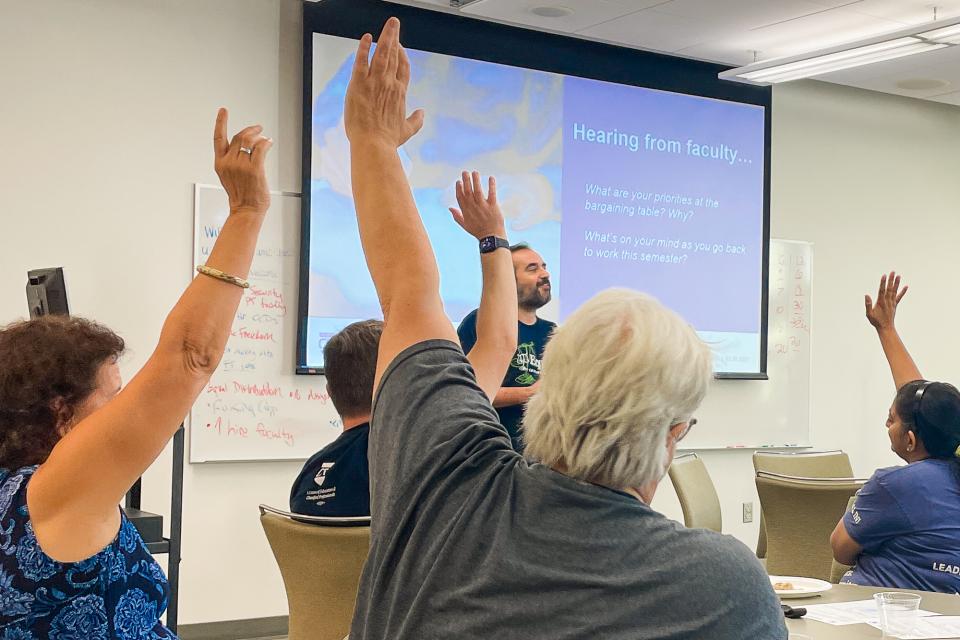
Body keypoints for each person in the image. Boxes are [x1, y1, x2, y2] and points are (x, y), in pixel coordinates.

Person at [343, 18, 786, 639]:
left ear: (548, 387)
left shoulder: (441, 478)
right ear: (674, 434)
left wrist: (372, 143)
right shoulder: (720, 585)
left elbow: (410, 298)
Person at [0, 108, 273, 638]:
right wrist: (247, 212)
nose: (128, 409)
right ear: (61, 412)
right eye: (113, 396)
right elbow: (189, 355)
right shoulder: (55, 492)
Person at [290, 170, 516, 517]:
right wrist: (493, 236)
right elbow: (499, 341)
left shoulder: (310, 478)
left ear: (332, 392)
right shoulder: (429, 448)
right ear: (398, 382)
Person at [831, 272, 960, 593]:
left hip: (882, 607)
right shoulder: (944, 444)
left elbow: (841, 548)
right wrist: (886, 329)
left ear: (911, 440)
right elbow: (926, 407)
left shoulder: (895, 484)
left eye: (892, 420)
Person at [457, 241, 555, 451]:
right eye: (532, 268)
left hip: (539, 458)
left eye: (544, 266)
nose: (545, 274)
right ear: (508, 281)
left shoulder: (553, 333)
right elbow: (464, 393)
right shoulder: (481, 323)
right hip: (488, 452)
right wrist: (530, 393)